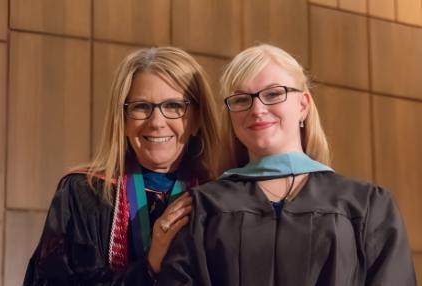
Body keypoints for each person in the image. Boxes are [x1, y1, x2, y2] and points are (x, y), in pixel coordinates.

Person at [157, 44, 417, 285]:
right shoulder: (203, 206)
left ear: (302, 105)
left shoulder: (366, 204)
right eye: (241, 99)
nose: (257, 109)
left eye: (273, 94)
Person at [23, 46, 222, 285]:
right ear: (123, 120)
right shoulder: (82, 193)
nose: (157, 122)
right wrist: (150, 264)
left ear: (197, 119)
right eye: (141, 106)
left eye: (174, 106)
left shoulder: (217, 199)